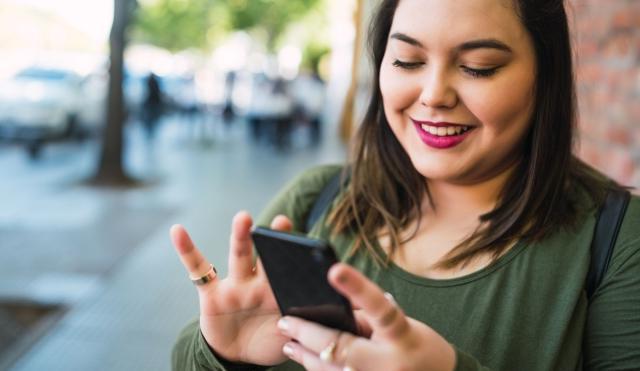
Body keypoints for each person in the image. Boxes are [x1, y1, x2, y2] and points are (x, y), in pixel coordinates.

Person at [170, 0, 640, 370]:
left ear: (545, 75)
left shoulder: (615, 238)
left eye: (478, 67)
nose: (434, 94)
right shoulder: (317, 200)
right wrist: (224, 354)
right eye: (407, 60)